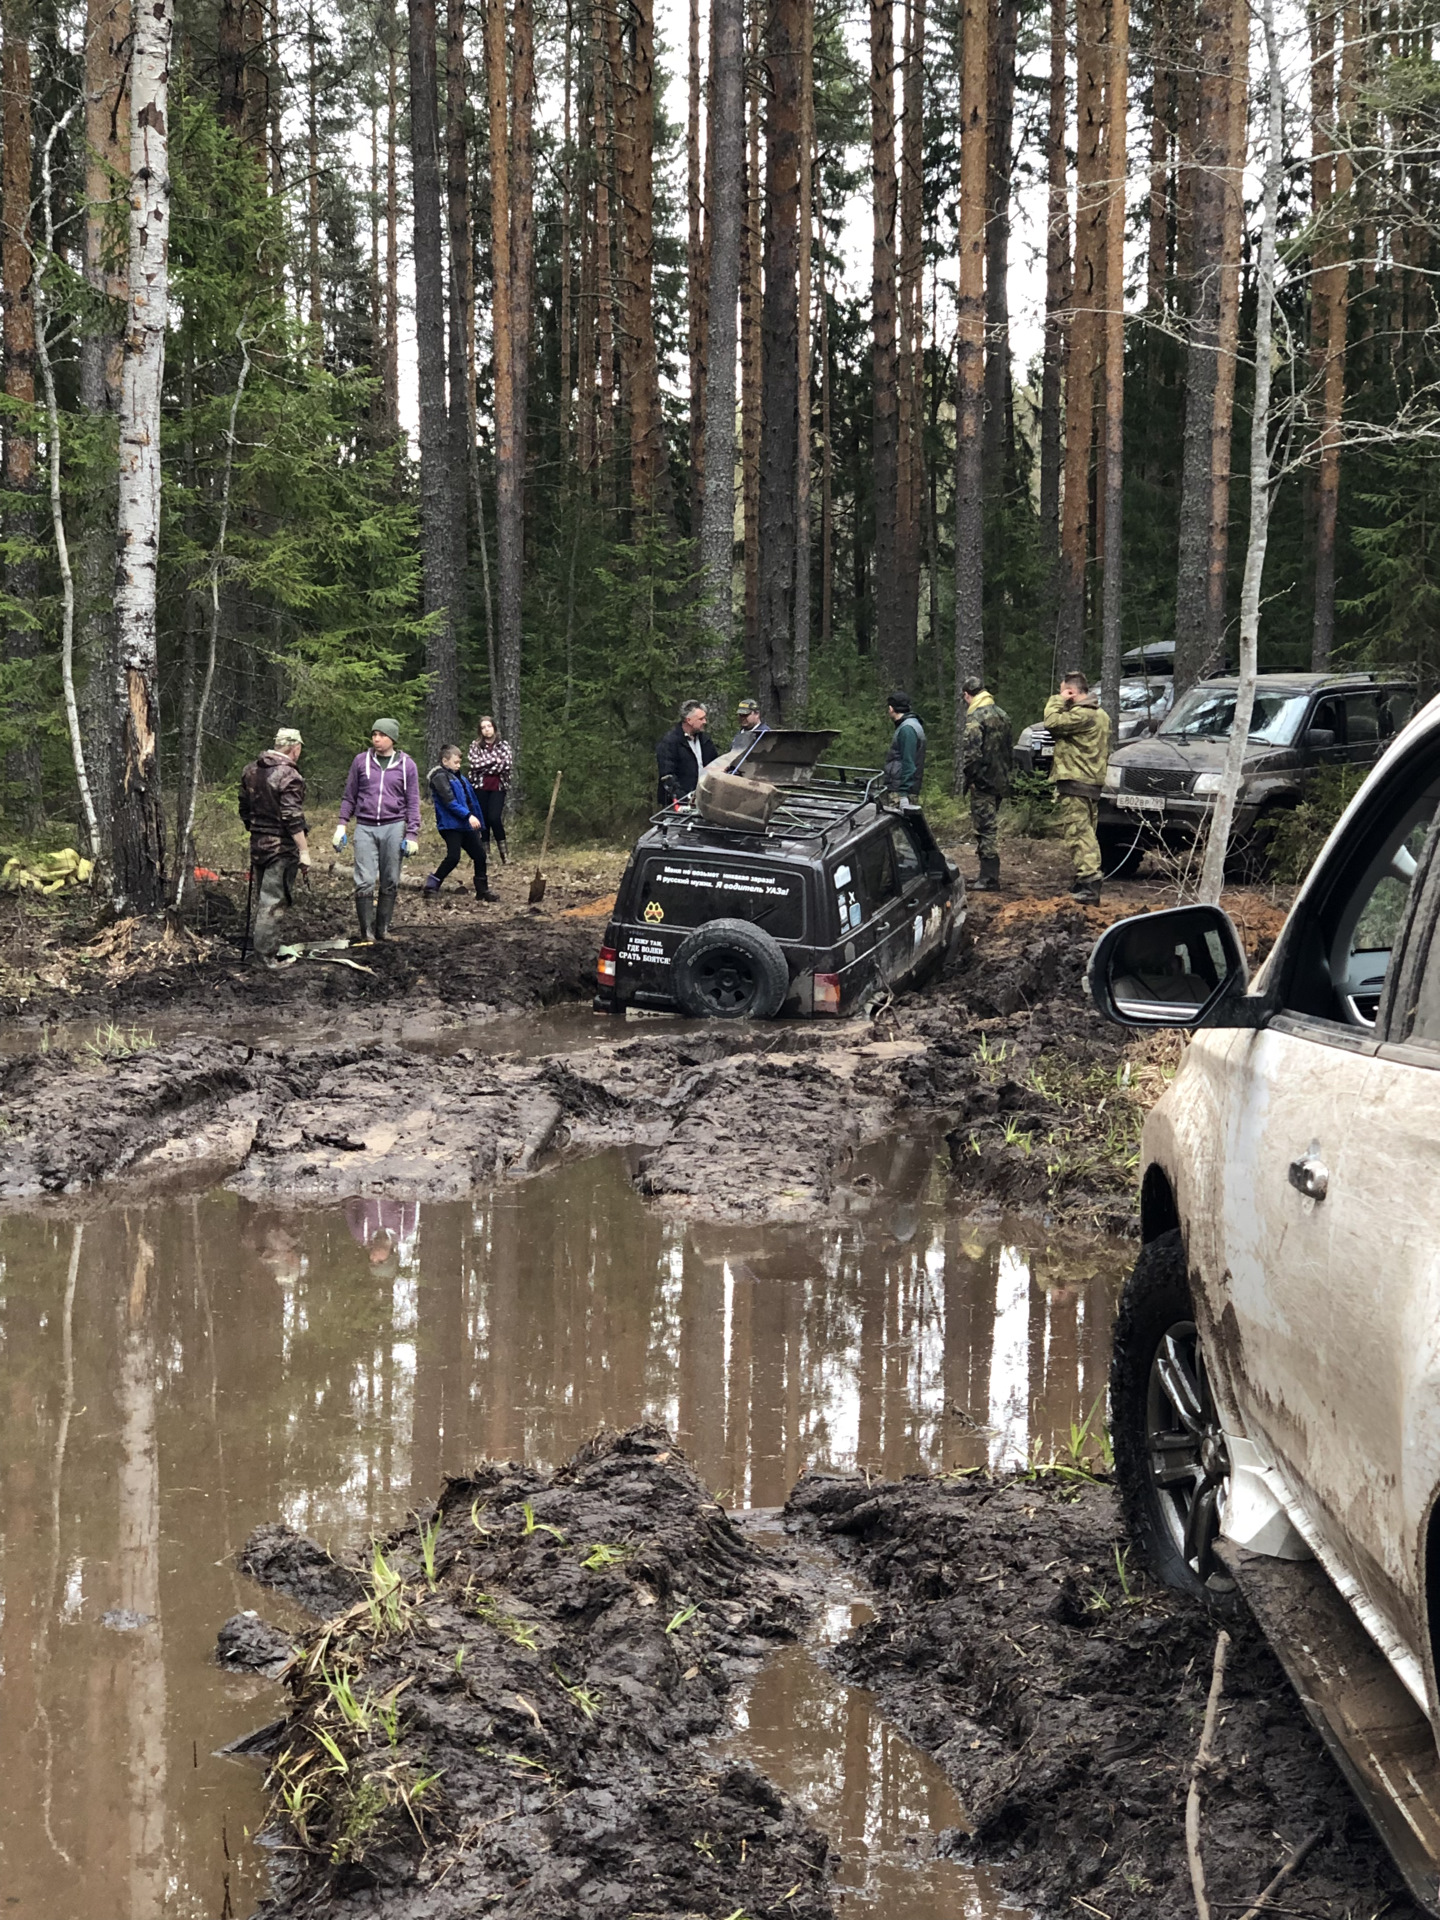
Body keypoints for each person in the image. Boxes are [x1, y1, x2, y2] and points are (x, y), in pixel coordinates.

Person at [334, 719, 421, 944]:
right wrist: (342, 824)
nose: (376, 739)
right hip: (365, 825)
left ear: (392, 738)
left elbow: (412, 801)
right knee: (364, 879)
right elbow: (349, 795)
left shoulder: (406, 765)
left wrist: (412, 834)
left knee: (390, 877)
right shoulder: (361, 762)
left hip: (394, 825)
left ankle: (383, 929)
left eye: (382, 735)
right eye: (374, 734)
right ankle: (367, 933)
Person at [238, 727, 310, 965]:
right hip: (281, 848)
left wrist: (256, 829)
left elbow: (244, 809)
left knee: (264, 898)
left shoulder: (250, 770)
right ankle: (266, 959)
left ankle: (264, 950)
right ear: (294, 748)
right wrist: (304, 851)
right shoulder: (290, 776)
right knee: (273, 903)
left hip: (258, 843)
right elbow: (293, 817)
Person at [1044, 670, 1111, 905]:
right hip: (1090, 780)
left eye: (1064, 691)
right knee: (1087, 832)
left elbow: (1052, 722)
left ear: (1071, 692)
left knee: (1079, 833)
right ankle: (1084, 879)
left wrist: (1057, 700)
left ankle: (1090, 882)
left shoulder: (1083, 715)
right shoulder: (1100, 715)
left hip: (1077, 781)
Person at [960, 675, 1013, 892]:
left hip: (983, 782)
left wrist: (973, 779)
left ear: (967, 695)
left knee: (986, 828)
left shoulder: (976, 718)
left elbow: (972, 754)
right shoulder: (1002, 715)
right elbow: (1008, 750)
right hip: (1000, 779)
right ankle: (988, 875)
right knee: (989, 825)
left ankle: (989, 878)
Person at [425, 746, 495, 901]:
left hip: (465, 824)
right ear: (445, 761)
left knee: (479, 855)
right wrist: (468, 816)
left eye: (459, 762)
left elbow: (471, 802)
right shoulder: (439, 777)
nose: (458, 765)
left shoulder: (460, 778)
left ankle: (482, 890)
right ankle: (432, 885)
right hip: (450, 825)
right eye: (455, 762)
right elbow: (449, 802)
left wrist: (477, 821)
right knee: (453, 856)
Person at [467, 716, 513, 863]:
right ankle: (485, 855)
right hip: (480, 786)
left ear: (494, 727)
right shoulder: (475, 746)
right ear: (480, 730)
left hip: (498, 787)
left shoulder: (504, 745)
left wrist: (485, 766)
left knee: (494, 818)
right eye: (483, 727)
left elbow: (506, 765)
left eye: (489, 726)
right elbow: (474, 764)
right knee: (483, 819)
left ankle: (505, 855)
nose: (487, 729)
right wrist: (495, 761)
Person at [656, 700, 717, 806]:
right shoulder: (670, 742)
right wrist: (683, 799)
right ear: (688, 720)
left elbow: (715, 765)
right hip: (679, 803)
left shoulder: (705, 741)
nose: (705, 722)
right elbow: (667, 775)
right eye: (701, 719)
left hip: (704, 799)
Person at [883, 693, 926, 797]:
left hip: (901, 790)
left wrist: (903, 793)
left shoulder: (907, 729)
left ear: (891, 708)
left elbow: (908, 762)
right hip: (902, 787)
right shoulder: (911, 725)